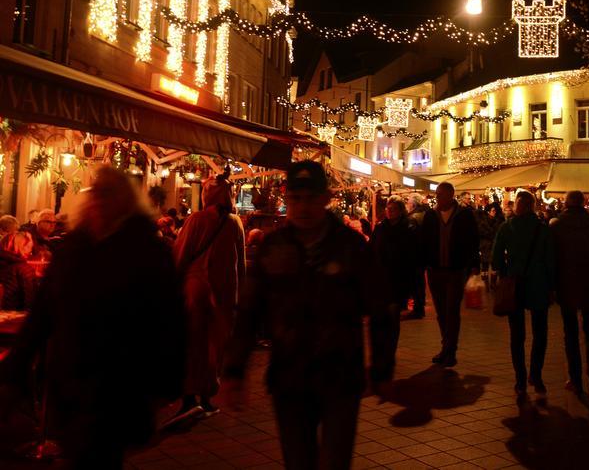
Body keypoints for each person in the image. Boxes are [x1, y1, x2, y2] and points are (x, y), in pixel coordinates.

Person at [0, 167, 185, 468]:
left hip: (119, 385)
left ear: (124, 201)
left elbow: (169, 319)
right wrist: (15, 369)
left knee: (97, 456)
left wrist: (166, 383)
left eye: (108, 195)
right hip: (72, 381)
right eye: (97, 194)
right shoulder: (75, 246)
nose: (100, 202)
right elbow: (43, 312)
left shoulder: (147, 250)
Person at [223, 161, 389, 470]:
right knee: (298, 461)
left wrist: (381, 369)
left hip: (340, 375)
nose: (303, 207)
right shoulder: (274, 247)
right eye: (296, 198)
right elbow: (249, 310)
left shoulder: (350, 245)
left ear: (326, 198)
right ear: (287, 198)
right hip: (290, 377)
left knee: (334, 462)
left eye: (311, 198)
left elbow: (381, 307)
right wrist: (234, 370)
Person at [167, 176, 245, 425]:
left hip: (196, 291)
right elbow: (240, 263)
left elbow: (181, 253)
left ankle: (190, 398)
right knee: (215, 347)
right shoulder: (236, 223)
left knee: (194, 343)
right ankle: (207, 396)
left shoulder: (197, 219)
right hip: (224, 293)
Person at [492, 190, 556, 395]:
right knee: (540, 333)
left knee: (517, 335)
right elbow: (550, 260)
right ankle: (535, 375)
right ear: (534, 206)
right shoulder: (542, 229)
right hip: (538, 285)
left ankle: (520, 378)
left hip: (515, 285)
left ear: (518, 206)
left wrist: (505, 273)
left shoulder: (506, 227)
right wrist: (551, 286)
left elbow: (496, 258)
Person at [551, 190, 589, 393]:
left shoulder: (557, 227)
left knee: (571, 333)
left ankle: (575, 378)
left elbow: (551, 260)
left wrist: (552, 285)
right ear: (583, 204)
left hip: (566, 285)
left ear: (566, 204)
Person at [421, 181, 479, 367]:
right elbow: (424, 240)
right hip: (435, 269)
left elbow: (473, 241)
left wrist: (472, 266)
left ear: (450, 195)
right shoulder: (431, 215)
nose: (436, 198)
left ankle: (450, 350)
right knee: (441, 312)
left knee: (452, 311)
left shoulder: (464, 215)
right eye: (436, 195)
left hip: (456, 270)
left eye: (439, 195)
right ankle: (446, 347)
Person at [369, 196, 419, 384]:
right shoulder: (381, 228)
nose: (390, 212)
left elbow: (411, 256)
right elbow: (371, 250)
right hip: (380, 281)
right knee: (378, 320)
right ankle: (379, 356)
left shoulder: (408, 229)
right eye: (388, 209)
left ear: (400, 211)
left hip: (398, 281)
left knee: (392, 319)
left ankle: (388, 354)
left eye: (393, 209)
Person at [0, 225, 36, 309]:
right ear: (20, 247)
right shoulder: (24, 269)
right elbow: (29, 302)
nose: (30, 252)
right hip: (14, 317)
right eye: (28, 247)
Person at [405, 195, 429, 319]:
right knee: (419, 280)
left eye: (408, 203)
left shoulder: (413, 218)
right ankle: (420, 304)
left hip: (415, 254)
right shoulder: (426, 214)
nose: (407, 205)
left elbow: (410, 239)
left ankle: (418, 309)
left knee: (416, 281)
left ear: (413, 205)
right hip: (423, 253)